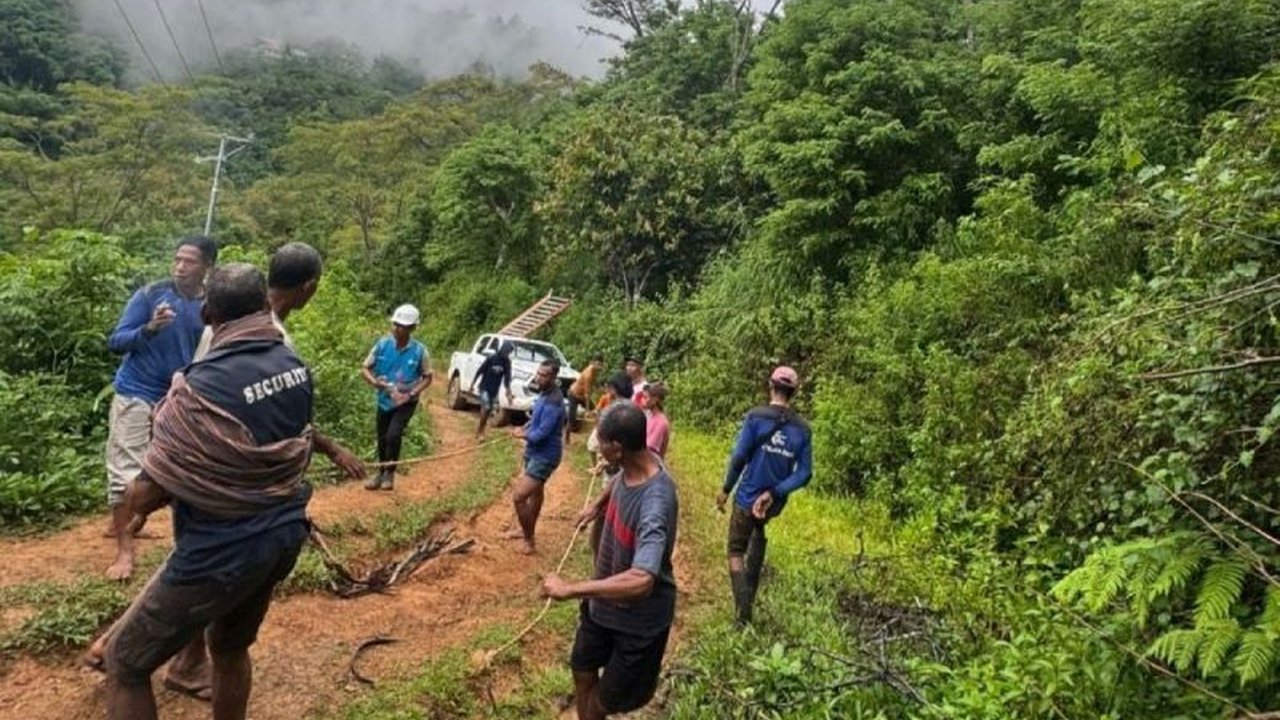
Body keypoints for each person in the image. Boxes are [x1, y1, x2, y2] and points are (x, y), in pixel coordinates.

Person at [87, 242, 366, 699]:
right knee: (208, 603)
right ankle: (165, 654)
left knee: (192, 572)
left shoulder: (224, 340)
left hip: (213, 496)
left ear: (208, 313)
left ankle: (166, 654)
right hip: (250, 516)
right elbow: (261, 425)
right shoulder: (282, 351)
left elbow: (206, 408)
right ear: (309, 288)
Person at [102, 263, 314, 720]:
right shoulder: (295, 367)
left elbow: (146, 495)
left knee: (126, 663)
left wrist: (145, 488)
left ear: (206, 315)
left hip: (220, 553)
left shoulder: (196, 392)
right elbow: (290, 444)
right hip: (281, 536)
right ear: (263, 305)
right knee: (230, 647)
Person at [542, 402, 679, 720]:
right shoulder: (639, 459)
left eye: (600, 440)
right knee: (582, 667)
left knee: (602, 704)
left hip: (637, 624)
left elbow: (642, 580)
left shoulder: (655, 502)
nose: (596, 445)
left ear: (617, 448)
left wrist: (570, 589)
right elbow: (619, 480)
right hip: (602, 609)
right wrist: (597, 505)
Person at [104, 235, 217, 581]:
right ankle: (124, 552)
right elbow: (116, 341)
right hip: (136, 392)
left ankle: (132, 519)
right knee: (125, 469)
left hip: (176, 399)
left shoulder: (212, 304)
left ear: (207, 267)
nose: (180, 267)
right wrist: (149, 328)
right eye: (177, 259)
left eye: (189, 261)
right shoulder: (150, 295)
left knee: (171, 467)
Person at [715, 366, 813, 626]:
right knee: (758, 532)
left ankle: (743, 613)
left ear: (771, 386)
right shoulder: (803, 429)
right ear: (794, 392)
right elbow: (805, 473)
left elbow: (739, 457)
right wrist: (775, 492)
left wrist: (726, 489)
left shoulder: (756, 417)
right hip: (773, 503)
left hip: (747, 496)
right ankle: (748, 601)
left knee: (736, 550)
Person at [361, 304, 432, 491]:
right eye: (396, 324)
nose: (398, 329)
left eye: (403, 326)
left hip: (406, 402)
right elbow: (365, 368)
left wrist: (412, 393)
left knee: (393, 434)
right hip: (385, 399)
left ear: (413, 328)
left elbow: (428, 377)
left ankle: (390, 473)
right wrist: (375, 382)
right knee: (382, 437)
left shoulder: (419, 351)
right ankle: (380, 471)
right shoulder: (382, 345)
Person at [508, 359, 566, 555]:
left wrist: (522, 435)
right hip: (534, 452)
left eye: (544, 375)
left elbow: (541, 434)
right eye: (538, 373)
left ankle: (529, 539)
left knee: (519, 496)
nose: (538, 378)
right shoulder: (544, 393)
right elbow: (535, 420)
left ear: (554, 377)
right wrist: (525, 427)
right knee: (535, 493)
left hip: (545, 456)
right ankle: (527, 528)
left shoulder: (554, 402)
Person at [470, 341, 514, 439]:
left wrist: (508, 393)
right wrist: (472, 384)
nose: (508, 354)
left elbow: (507, 379)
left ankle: (480, 429)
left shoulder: (507, 362)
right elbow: (480, 371)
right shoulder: (491, 358)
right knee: (486, 407)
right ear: (503, 349)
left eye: (509, 352)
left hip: (494, 390)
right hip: (484, 387)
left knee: (489, 410)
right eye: (507, 351)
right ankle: (480, 432)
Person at [566, 354, 604, 442]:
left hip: (581, 395)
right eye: (597, 364)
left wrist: (602, 391)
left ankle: (597, 436)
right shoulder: (588, 374)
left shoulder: (595, 371)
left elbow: (595, 383)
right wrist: (587, 410)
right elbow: (587, 394)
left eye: (600, 364)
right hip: (574, 394)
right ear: (593, 363)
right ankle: (566, 438)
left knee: (596, 411)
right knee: (571, 418)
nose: (599, 366)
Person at [645, 382, 670, 459]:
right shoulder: (649, 416)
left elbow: (650, 448)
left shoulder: (661, 422)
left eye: (647, 397)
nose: (645, 400)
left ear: (654, 400)